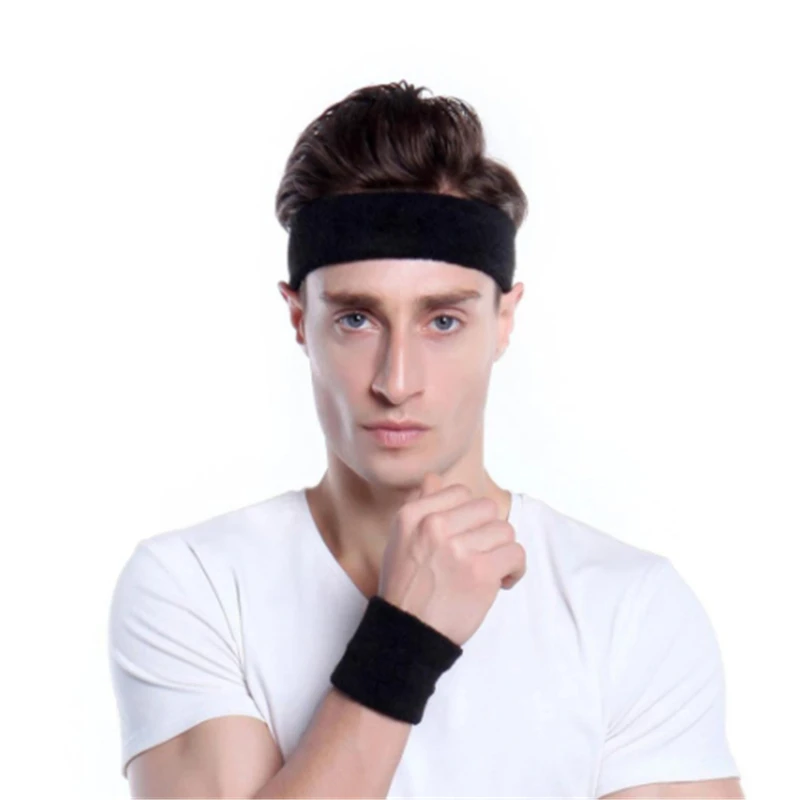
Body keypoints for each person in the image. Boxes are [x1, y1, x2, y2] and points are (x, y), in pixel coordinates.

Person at [108, 80, 745, 799]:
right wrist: (404, 640)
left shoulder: (630, 608)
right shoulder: (195, 585)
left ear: (503, 321)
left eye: (443, 321)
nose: (397, 381)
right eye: (356, 319)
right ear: (299, 319)